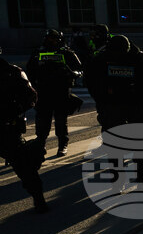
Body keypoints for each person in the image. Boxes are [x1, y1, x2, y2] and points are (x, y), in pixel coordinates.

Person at [1, 53, 47, 212]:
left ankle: (39, 199)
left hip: (7, 128)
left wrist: (14, 110)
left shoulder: (11, 71)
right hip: (7, 127)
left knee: (24, 166)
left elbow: (31, 95)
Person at [26, 29, 82, 157]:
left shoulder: (66, 52)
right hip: (43, 91)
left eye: (53, 38)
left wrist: (73, 74)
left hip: (60, 91)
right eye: (48, 38)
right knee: (42, 121)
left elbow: (78, 68)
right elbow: (30, 70)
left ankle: (63, 143)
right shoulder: (38, 52)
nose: (50, 41)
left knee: (61, 120)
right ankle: (40, 143)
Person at [86, 34, 143, 130]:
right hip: (111, 102)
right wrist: (100, 99)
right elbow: (90, 80)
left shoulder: (139, 59)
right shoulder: (102, 59)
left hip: (134, 102)